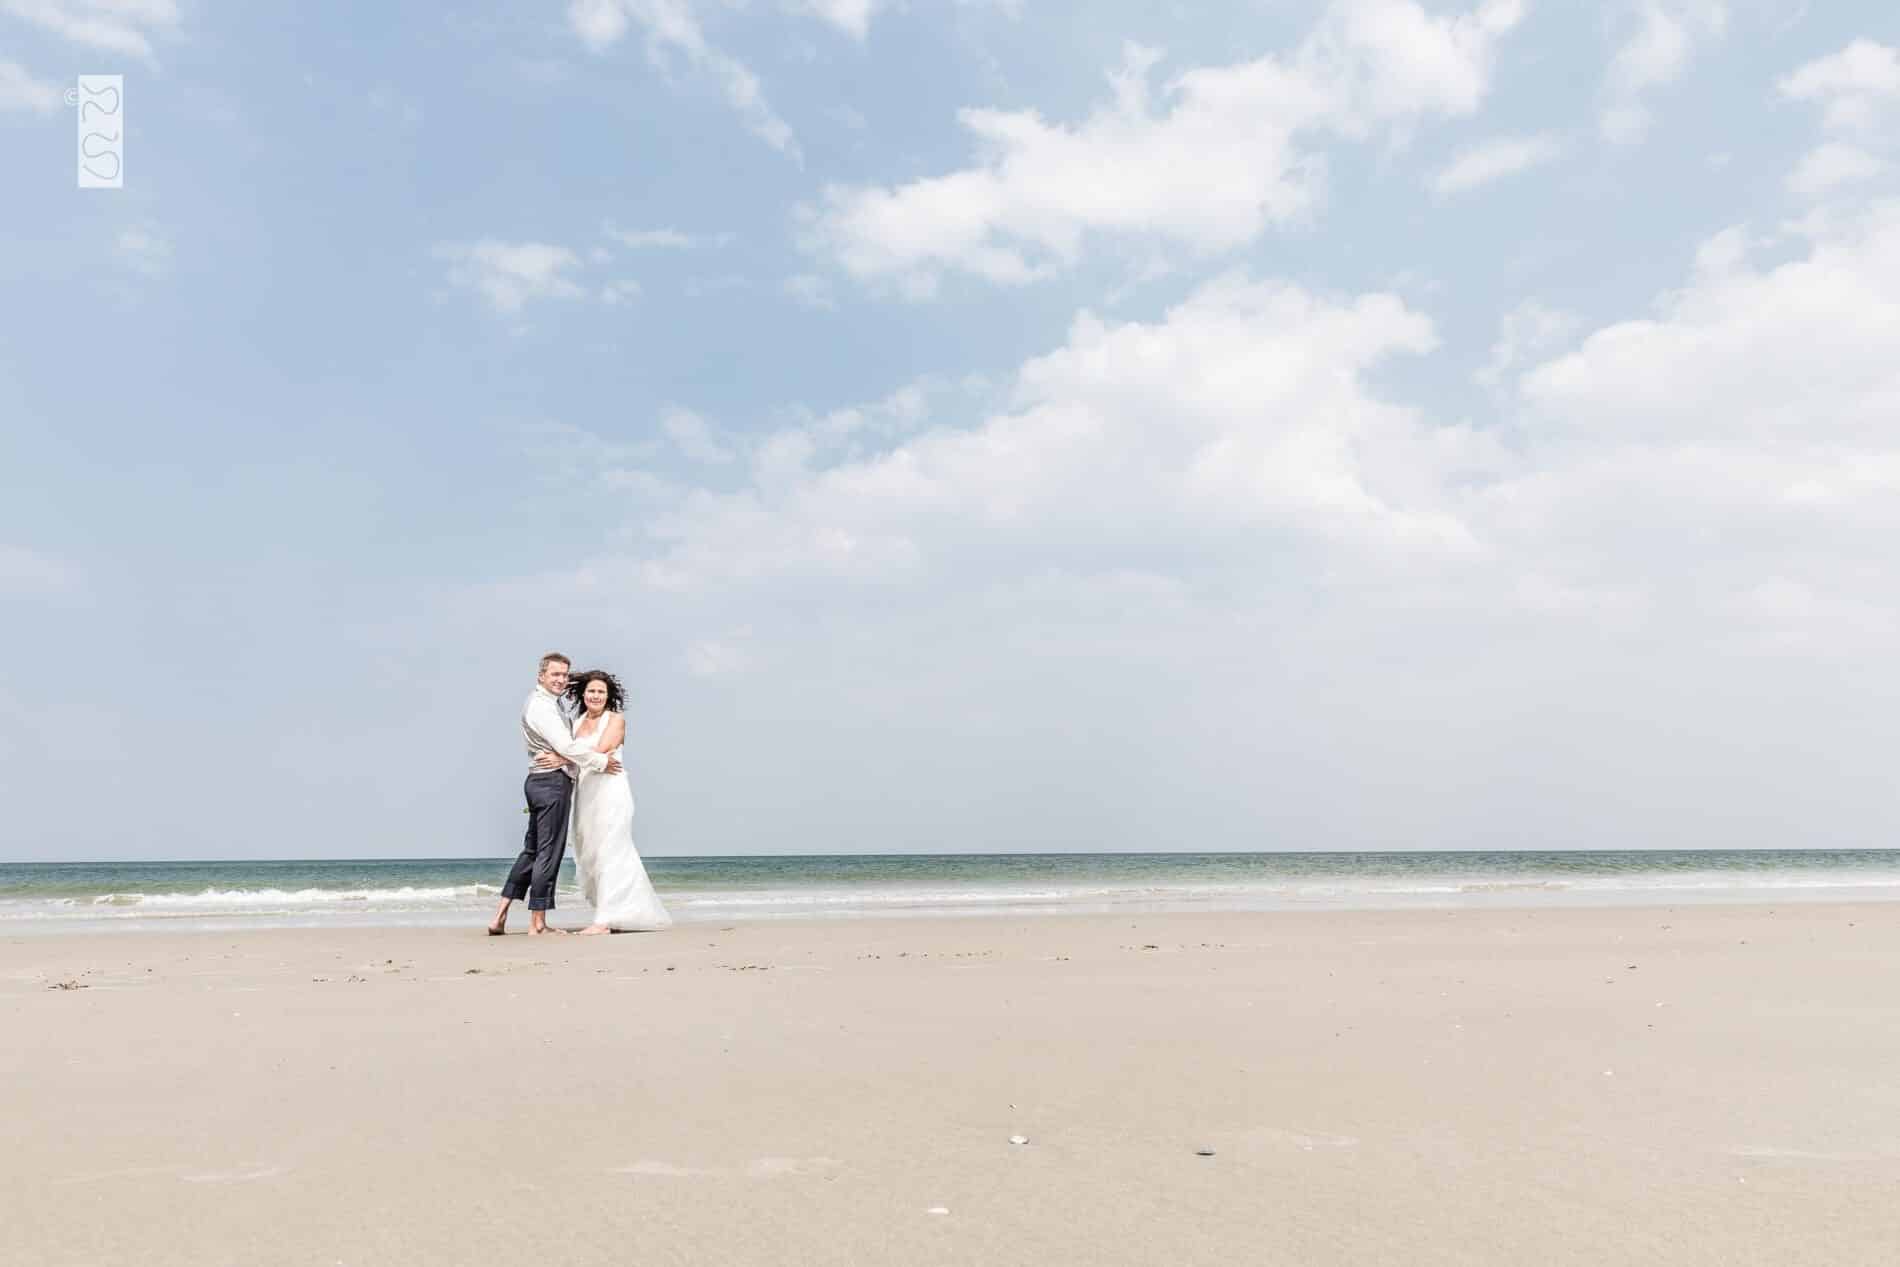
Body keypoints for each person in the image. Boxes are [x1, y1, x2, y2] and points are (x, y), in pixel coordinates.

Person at [488, 652, 623, 936]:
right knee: (548, 853)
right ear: (541, 676)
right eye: (555, 675)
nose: (561, 679)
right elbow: (567, 746)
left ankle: (499, 916)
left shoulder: (546, 701)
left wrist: (575, 681)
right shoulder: (543, 707)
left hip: (537, 781)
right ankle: (538, 924)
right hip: (552, 783)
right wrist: (600, 761)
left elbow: (568, 690)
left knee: (532, 851)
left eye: (565, 675)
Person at [533, 668, 672, 934]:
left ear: (608, 696)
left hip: (611, 792)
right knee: (591, 852)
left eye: (601, 692)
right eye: (591, 691)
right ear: (582, 694)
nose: (596, 696)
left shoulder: (615, 719)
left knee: (612, 849)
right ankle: (616, 911)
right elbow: (576, 754)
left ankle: (604, 921)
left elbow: (602, 750)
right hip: (586, 794)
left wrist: (562, 758)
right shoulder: (576, 722)